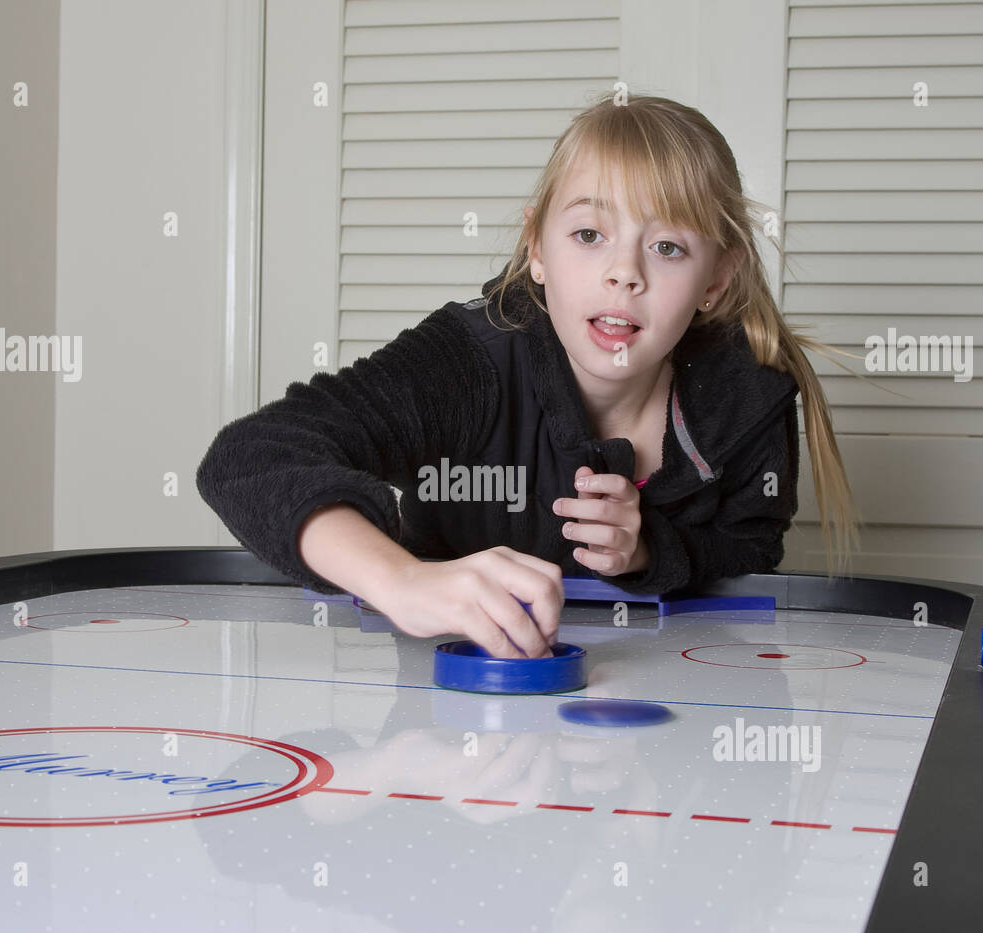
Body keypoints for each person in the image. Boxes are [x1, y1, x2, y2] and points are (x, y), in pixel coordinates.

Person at [197, 93, 862, 660]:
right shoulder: (468, 359)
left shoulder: (749, 396)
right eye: (588, 235)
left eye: (667, 247)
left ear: (716, 279)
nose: (624, 272)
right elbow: (249, 456)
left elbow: (751, 555)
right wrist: (403, 580)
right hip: (454, 741)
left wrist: (651, 547)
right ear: (535, 250)